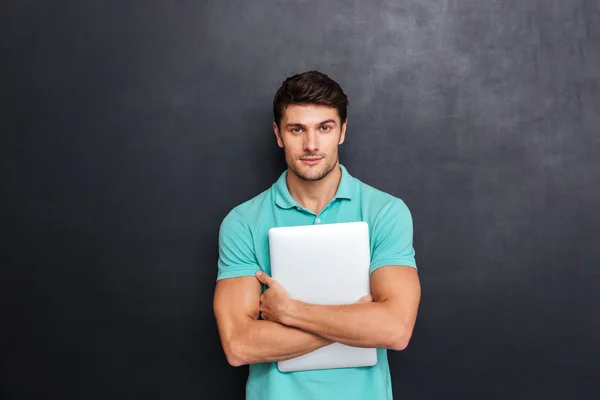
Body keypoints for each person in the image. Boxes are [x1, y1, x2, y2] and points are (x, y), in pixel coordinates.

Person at [213, 70, 421, 400]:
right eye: (297, 129)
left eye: (324, 128)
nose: (311, 144)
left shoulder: (385, 211)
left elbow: (395, 330)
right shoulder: (242, 222)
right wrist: (356, 322)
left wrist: (290, 313)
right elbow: (239, 345)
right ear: (278, 134)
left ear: (342, 131)